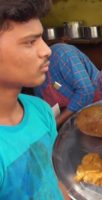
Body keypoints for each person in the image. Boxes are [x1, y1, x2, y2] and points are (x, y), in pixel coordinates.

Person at [0, 0, 69, 199]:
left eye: (42, 38)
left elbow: (56, 179)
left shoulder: (40, 110)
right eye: (30, 41)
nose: (47, 50)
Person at [34, 43, 101, 128]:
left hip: (99, 108)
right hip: (74, 120)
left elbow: (86, 91)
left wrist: (58, 121)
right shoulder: (35, 82)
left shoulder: (62, 54)